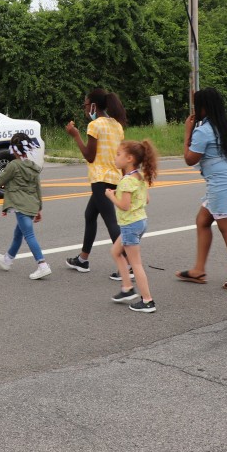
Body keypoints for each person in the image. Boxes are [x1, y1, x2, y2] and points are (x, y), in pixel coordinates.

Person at [176, 87, 227, 291]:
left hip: (221, 184)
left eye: (196, 106)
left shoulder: (203, 131)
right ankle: (198, 269)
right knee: (202, 220)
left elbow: (190, 159)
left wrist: (187, 132)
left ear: (203, 108)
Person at [63, 88, 127, 274]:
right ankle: (83, 259)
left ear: (92, 105)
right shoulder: (116, 125)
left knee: (110, 221)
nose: (84, 108)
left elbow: (90, 156)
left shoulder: (94, 126)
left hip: (100, 179)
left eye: (85, 104)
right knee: (90, 215)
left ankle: (129, 265)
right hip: (114, 178)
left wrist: (75, 135)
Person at [0, 132, 51, 280]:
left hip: (20, 205)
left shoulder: (13, 166)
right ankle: (7, 259)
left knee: (29, 235)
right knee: (18, 233)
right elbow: (38, 188)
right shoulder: (33, 167)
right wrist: (39, 208)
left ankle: (42, 265)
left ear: (14, 149)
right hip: (31, 205)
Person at [107, 139, 159, 313]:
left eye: (118, 154)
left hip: (130, 224)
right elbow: (147, 199)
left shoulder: (126, 181)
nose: (116, 157)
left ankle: (147, 301)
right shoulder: (138, 176)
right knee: (115, 251)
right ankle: (127, 288)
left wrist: (111, 196)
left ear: (129, 158)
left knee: (136, 264)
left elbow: (124, 206)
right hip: (140, 221)